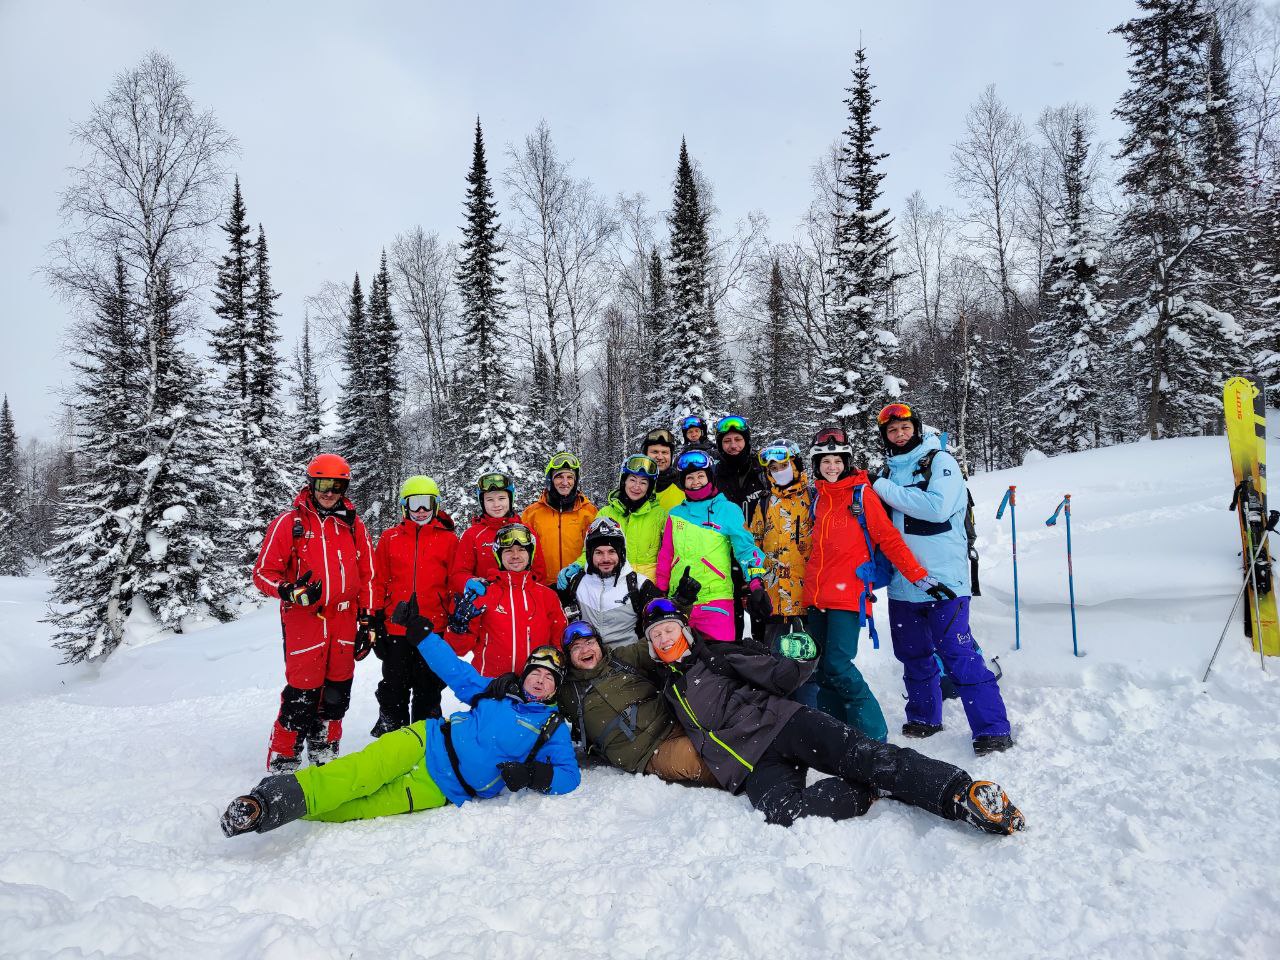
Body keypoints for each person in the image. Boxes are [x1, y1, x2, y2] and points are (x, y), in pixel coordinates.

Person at [641, 599, 1024, 834]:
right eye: (655, 636)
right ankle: (868, 789)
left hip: (784, 723)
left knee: (867, 755)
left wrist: (801, 658)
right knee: (783, 813)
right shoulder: (666, 689)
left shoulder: (718, 656)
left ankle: (960, 793)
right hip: (751, 764)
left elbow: (780, 675)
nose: (663, 639)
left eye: (669, 629)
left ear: (685, 631)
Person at [220, 639, 578, 837]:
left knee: (359, 808)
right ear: (526, 673)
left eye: (550, 678)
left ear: (554, 690)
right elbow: (454, 669)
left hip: (441, 787)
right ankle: (265, 803)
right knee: (358, 773)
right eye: (537, 672)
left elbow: (569, 775)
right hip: (425, 739)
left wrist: (533, 776)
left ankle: (289, 809)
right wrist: (422, 634)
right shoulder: (496, 691)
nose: (541, 680)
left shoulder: (552, 727)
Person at [873, 402, 1014, 755]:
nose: (899, 434)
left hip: (944, 581)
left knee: (958, 654)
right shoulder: (889, 473)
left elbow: (936, 507)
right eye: (892, 431)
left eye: (904, 428)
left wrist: (882, 489)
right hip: (903, 583)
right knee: (913, 654)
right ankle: (924, 717)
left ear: (916, 429)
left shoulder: (939, 462)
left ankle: (992, 728)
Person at [802, 425, 949, 743]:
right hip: (815, 595)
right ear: (817, 465)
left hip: (848, 595)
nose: (832, 467)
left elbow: (889, 538)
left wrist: (917, 574)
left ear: (847, 462)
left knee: (839, 664)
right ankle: (835, 733)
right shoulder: (817, 498)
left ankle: (873, 735)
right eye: (825, 461)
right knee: (821, 668)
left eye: (838, 460)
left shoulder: (861, 493)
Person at [251, 453, 375, 773]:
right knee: (303, 688)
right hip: (305, 617)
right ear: (312, 483)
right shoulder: (290, 523)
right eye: (323, 484)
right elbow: (263, 573)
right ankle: (286, 752)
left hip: (346, 618)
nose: (329, 492)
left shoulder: (352, 525)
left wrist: (367, 618)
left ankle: (324, 745)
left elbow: (367, 574)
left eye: (337, 485)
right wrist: (288, 590)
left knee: (338, 687)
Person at [558, 620, 718, 785]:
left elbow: (657, 638)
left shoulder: (620, 659)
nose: (585, 650)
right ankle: (745, 778)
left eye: (590, 643)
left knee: (726, 732)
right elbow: (539, 704)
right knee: (705, 760)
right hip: (647, 751)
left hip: (675, 720)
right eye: (576, 647)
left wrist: (679, 607)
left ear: (599, 644)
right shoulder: (567, 691)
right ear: (569, 657)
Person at [369, 475, 457, 737]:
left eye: (426, 503)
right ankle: (393, 734)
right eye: (414, 503)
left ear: (436, 505)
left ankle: (425, 738)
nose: (420, 510)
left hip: (433, 628)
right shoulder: (390, 538)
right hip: (395, 629)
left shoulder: (449, 540)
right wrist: (374, 618)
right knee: (394, 685)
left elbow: (454, 584)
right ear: (404, 506)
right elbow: (378, 580)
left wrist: (453, 622)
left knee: (428, 687)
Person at [655, 449, 771, 643]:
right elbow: (666, 554)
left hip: (716, 601)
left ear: (710, 477)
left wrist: (756, 582)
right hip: (679, 601)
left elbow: (746, 550)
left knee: (719, 663)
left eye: (701, 476)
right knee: (680, 665)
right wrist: (660, 591)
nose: (695, 482)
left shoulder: (728, 510)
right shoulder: (675, 514)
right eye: (690, 478)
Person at [446, 522, 567, 678]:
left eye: (522, 550)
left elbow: (559, 643)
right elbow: (458, 649)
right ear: (498, 555)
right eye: (508, 551)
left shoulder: (547, 596)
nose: (515, 556)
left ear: (530, 554)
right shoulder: (484, 594)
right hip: (490, 686)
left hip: (536, 688)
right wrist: (458, 629)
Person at [558, 455, 670, 584]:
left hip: (646, 586)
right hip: (612, 585)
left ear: (649, 487)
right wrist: (578, 565)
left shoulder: (659, 515)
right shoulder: (606, 513)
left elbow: (667, 554)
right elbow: (591, 550)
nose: (637, 486)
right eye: (632, 480)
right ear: (624, 481)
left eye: (643, 482)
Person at [558, 516, 663, 647]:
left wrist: (683, 601)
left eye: (612, 551)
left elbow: (664, 622)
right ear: (590, 555)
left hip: (628, 659)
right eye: (599, 553)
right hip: (589, 658)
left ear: (621, 553)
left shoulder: (640, 585)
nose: (606, 559)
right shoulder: (576, 583)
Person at [746, 440, 813, 637]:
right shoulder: (765, 503)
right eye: (773, 468)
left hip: (808, 600)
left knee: (809, 660)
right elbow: (753, 547)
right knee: (775, 660)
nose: (779, 471)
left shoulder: (813, 497)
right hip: (773, 599)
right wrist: (755, 582)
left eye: (784, 466)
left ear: (796, 465)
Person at [451, 472, 543, 591]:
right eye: (490, 500)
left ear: (510, 499)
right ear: (482, 502)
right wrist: (467, 582)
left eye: (501, 498)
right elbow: (459, 573)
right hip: (487, 601)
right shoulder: (473, 535)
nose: (496, 504)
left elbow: (539, 573)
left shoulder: (526, 531)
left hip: (522, 602)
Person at [521, 451, 597, 585]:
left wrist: (579, 568)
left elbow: (595, 549)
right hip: (542, 585)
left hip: (579, 582)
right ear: (550, 479)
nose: (565, 482)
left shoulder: (588, 512)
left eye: (570, 477)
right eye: (559, 477)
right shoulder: (532, 513)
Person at [713, 415, 768, 509]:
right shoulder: (713, 474)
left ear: (746, 441)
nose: (733, 445)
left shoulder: (763, 467)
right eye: (727, 441)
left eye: (738, 439)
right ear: (720, 445)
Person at [642, 427, 686, 512]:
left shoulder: (683, 485)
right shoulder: (634, 485)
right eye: (654, 452)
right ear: (645, 455)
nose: (660, 457)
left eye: (664, 452)